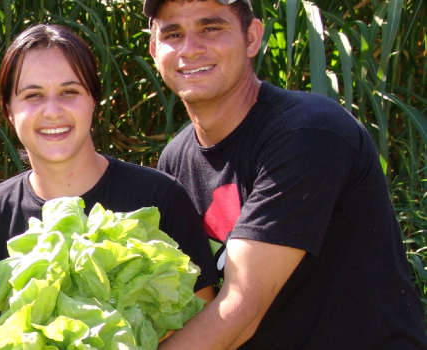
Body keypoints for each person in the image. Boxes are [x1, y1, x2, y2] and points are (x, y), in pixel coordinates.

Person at [144, 0, 427, 348]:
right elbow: (188, 302)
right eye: (173, 34)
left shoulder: (309, 132)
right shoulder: (176, 158)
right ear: (155, 50)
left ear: (252, 38)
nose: (191, 48)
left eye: (211, 28)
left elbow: (240, 311)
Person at [0, 23, 219, 345]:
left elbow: (201, 314)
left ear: (93, 101)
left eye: (69, 92)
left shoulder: (158, 197)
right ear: (9, 111)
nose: (53, 111)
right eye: (33, 96)